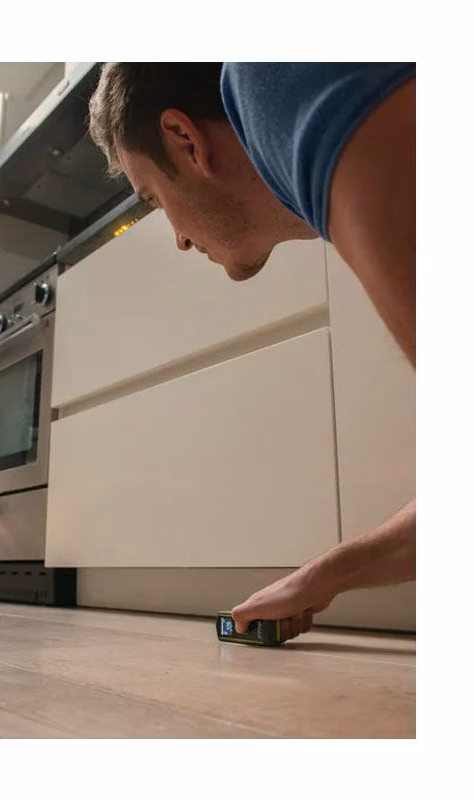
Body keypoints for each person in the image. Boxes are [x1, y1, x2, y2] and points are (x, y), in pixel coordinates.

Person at [88, 63, 415, 641]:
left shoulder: (276, 79)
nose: (179, 239)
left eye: (154, 199)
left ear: (185, 139)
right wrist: (324, 576)